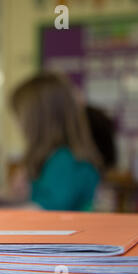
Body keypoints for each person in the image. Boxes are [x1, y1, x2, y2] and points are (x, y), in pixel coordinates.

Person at [6, 73, 102, 211]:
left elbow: (48, 208)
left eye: (19, 117)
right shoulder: (55, 157)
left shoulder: (65, 159)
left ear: (38, 120)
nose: (17, 125)